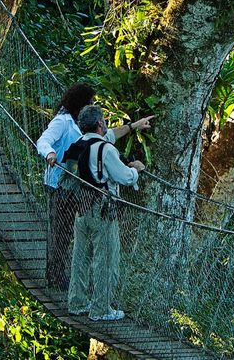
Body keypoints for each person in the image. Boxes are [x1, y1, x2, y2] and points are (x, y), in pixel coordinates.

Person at [35, 84, 153, 289]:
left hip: (79, 186)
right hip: (59, 184)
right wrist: (50, 154)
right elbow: (43, 140)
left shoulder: (83, 127)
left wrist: (133, 126)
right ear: (80, 103)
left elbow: (107, 135)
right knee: (59, 232)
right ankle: (54, 277)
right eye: (89, 102)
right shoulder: (62, 122)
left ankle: (71, 281)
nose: (91, 105)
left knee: (76, 234)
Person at [62, 105, 144, 321]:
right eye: (104, 121)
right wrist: (136, 169)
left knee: (80, 258)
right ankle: (101, 309)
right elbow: (124, 177)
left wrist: (133, 126)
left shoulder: (78, 145)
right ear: (100, 123)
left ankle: (77, 302)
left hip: (81, 209)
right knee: (106, 259)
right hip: (102, 210)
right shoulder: (105, 149)